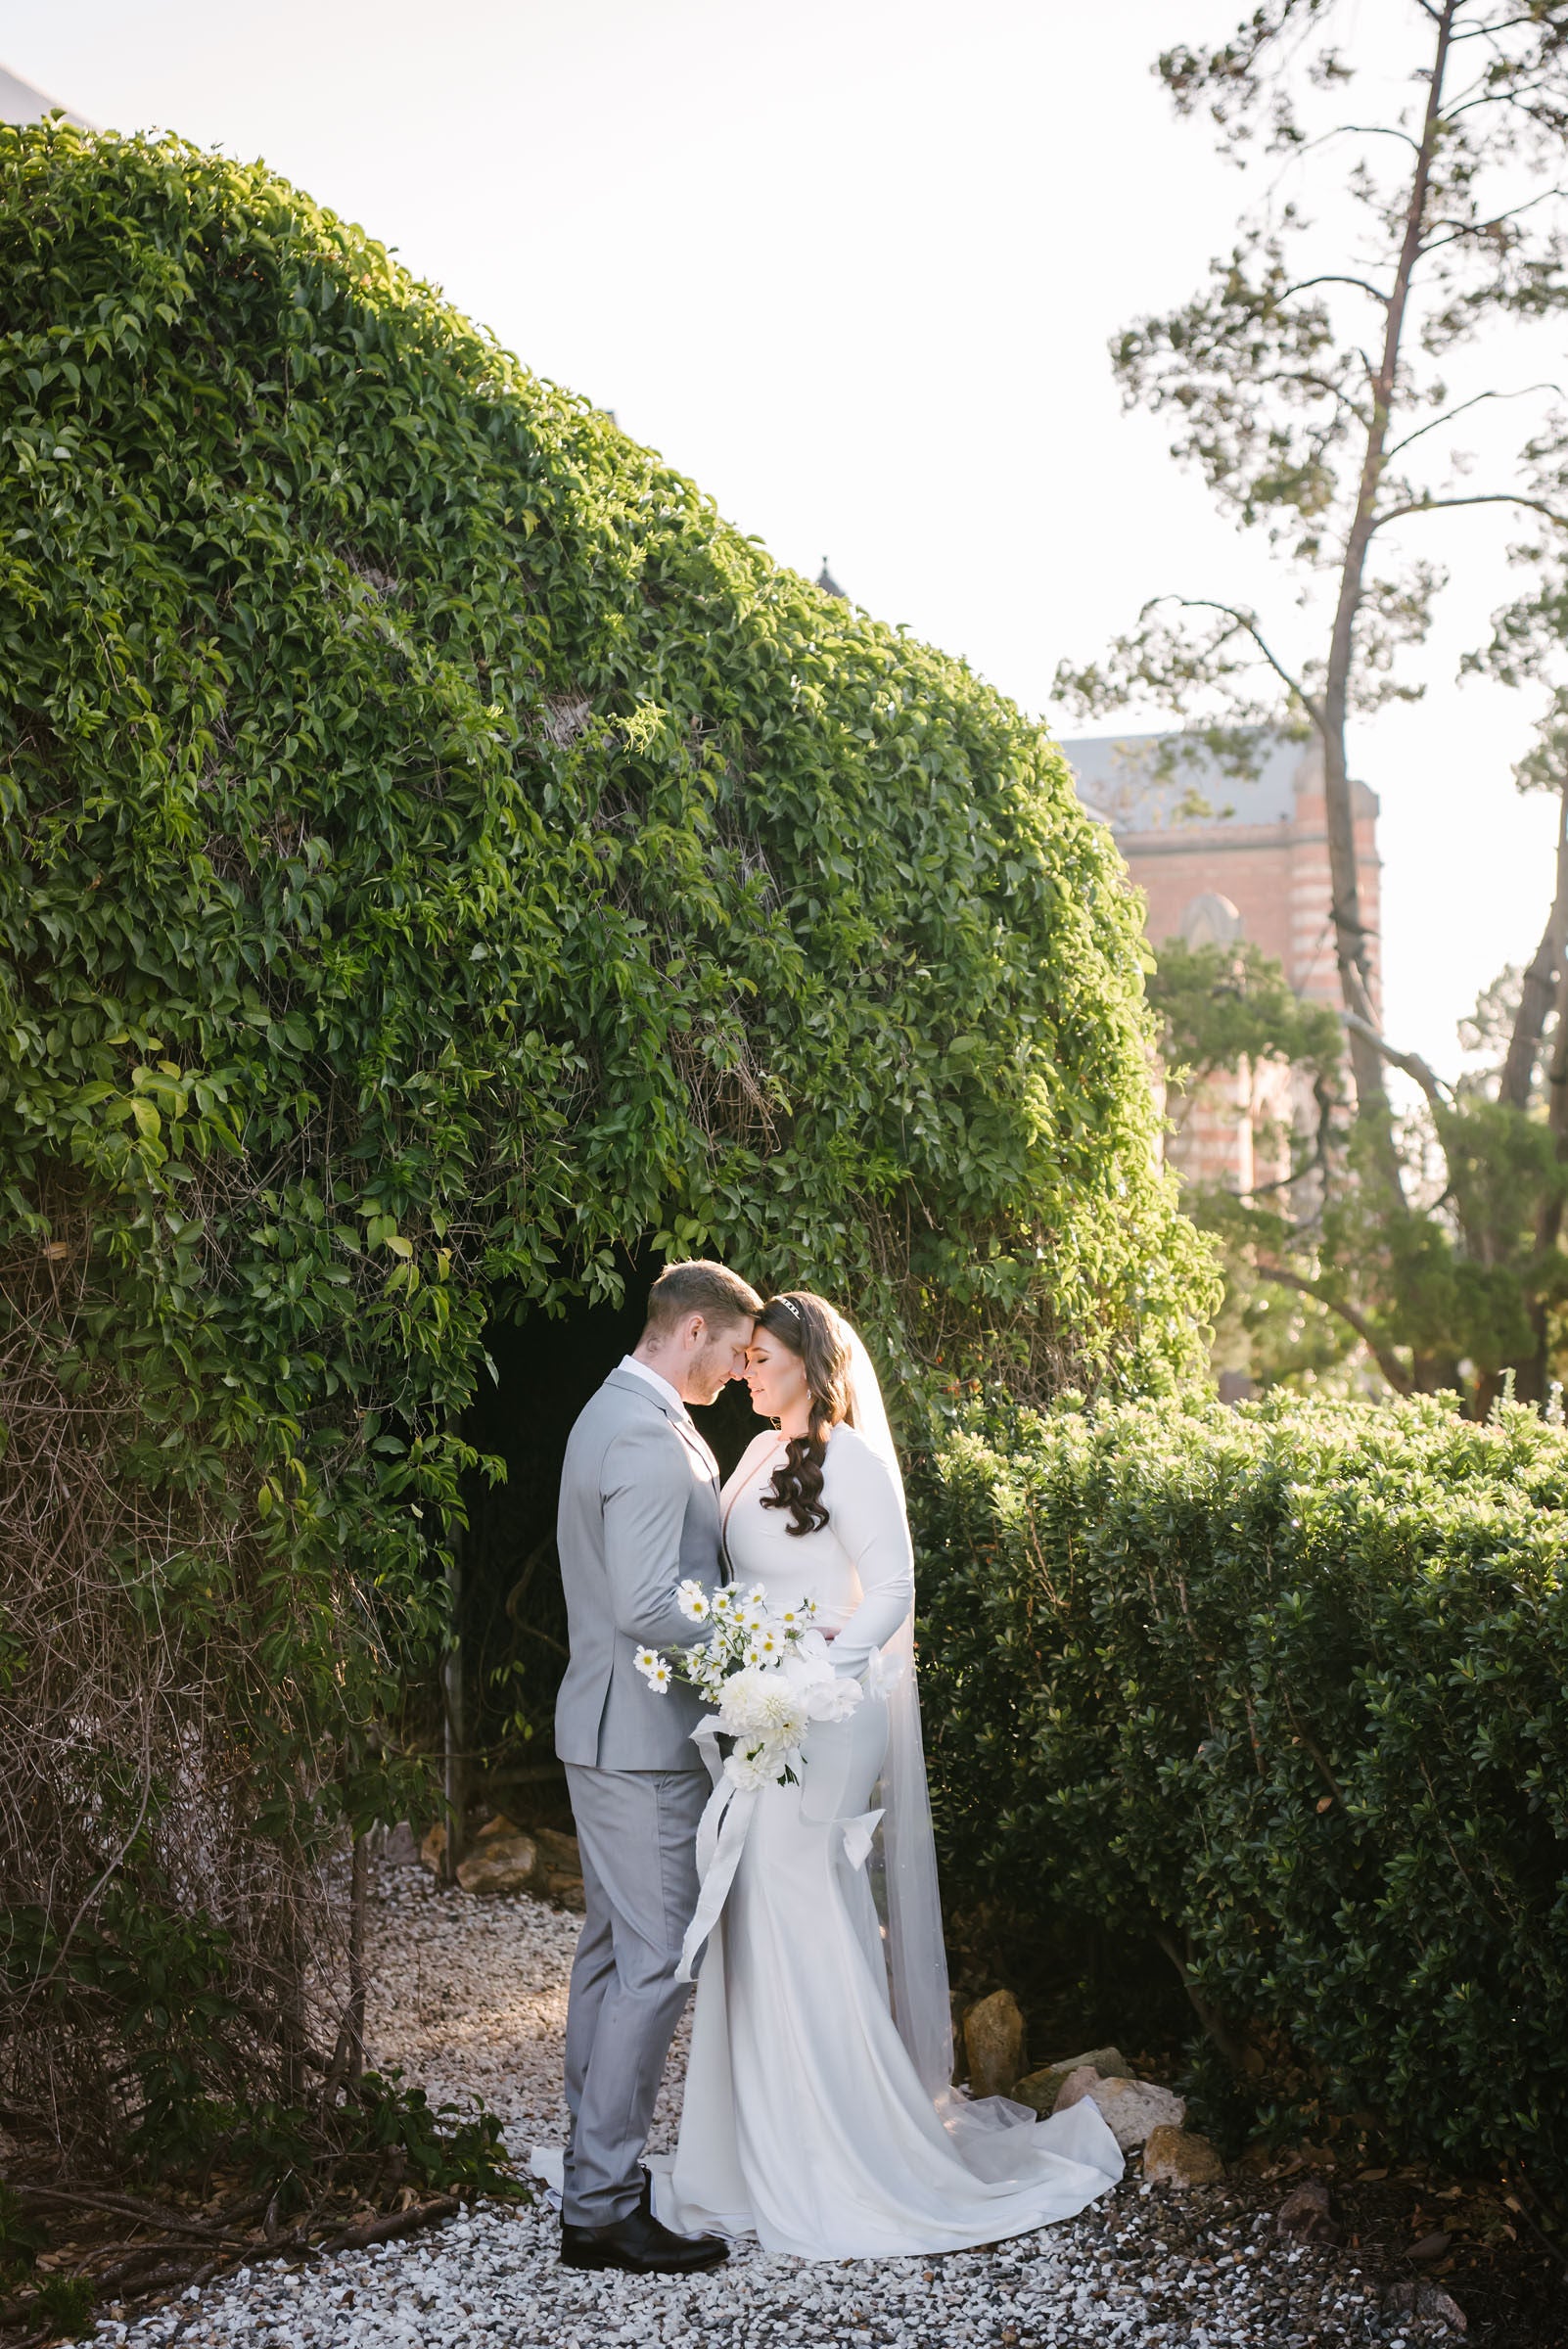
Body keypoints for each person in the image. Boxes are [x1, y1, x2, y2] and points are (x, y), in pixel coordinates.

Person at [649, 1291, 1124, 2257]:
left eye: (764, 1360)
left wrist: (822, 1672)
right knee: (751, 1903)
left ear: (813, 1364)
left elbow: (896, 1586)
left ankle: (845, 2144)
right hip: (764, 1702)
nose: (749, 1373)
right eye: (745, 1362)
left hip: (828, 1710)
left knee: (797, 1894)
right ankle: (751, 2146)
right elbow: (746, 1584)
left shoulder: (852, 1460)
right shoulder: (754, 1455)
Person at [551, 1257, 762, 2275]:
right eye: (731, 1354)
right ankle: (599, 2208)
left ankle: (592, 2176)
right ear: (691, 1331)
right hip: (639, 1741)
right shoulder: (639, 1430)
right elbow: (644, 1603)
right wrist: (747, 1642)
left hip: (611, 1733)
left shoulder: (621, 1411)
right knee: (656, 1963)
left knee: (610, 1952)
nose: (735, 1374)